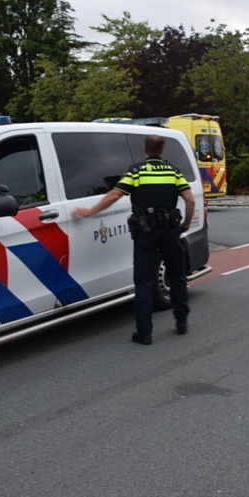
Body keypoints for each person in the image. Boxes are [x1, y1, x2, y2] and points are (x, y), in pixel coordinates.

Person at [72, 135, 195, 345]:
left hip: (146, 233)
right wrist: (184, 223)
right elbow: (190, 199)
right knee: (177, 276)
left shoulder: (135, 172)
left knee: (144, 281)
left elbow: (114, 195)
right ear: (162, 151)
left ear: (145, 150)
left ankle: (144, 333)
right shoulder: (173, 172)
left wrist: (90, 212)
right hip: (170, 231)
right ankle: (181, 322)